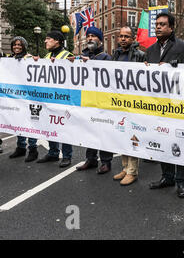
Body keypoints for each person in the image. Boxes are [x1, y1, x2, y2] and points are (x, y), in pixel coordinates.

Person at [146, 12, 184, 198]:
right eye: (157, 24)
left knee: (180, 142)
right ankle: (167, 177)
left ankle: (182, 181)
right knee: (163, 141)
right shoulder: (150, 50)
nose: (158, 27)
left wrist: (178, 67)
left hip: (178, 105)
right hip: (158, 106)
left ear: (171, 28)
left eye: (163, 24)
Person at [73, 27, 114, 174]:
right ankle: (90, 159)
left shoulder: (106, 57)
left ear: (100, 40)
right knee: (89, 130)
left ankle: (106, 161)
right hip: (87, 99)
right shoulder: (82, 55)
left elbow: (107, 76)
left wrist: (90, 62)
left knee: (103, 131)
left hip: (102, 101)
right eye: (88, 36)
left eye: (93, 36)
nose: (90, 38)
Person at [112, 26, 146, 186]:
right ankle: (125, 168)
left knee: (133, 136)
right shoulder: (116, 54)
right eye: (121, 36)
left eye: (127, 36)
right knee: (122, 135)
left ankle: (133, 171)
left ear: (133, 39)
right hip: (119, 101)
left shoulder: (140, 55)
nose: (123, 39)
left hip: (134, 102)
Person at [35, 31, 74, 168]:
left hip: (62, 98)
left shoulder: (68, 56)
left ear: (57, 41)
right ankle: (53, 152)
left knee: (64, 127)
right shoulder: (47, 55)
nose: (45, 41)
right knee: (49, 126)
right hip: (49, 98)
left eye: (48, 39)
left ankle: (67, 156)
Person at [8, 37, 39, 162]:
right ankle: (21, 148)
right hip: (15, 97)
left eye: (20, 45)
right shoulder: (9, 59)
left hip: (28, 97)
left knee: (30, 123)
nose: (17, 47)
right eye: (15, 44)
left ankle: (33, 150)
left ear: (24, 46)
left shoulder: (29, 58)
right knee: (18, 122)